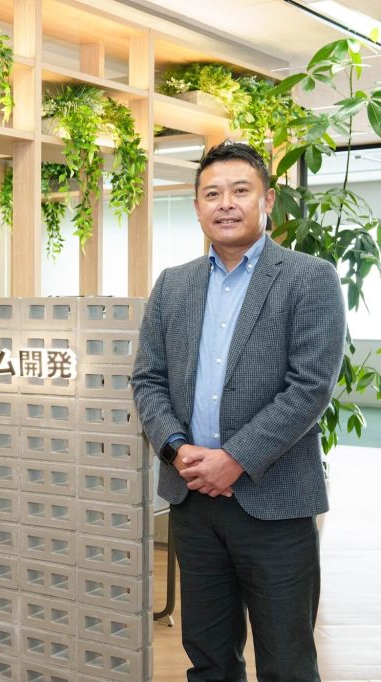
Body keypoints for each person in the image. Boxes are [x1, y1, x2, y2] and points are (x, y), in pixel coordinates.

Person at [132, 141, 346, 681]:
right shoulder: (173, 284)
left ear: (267, 200)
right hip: (194, 502)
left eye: (240, 190)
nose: (225, 203)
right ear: (197, 206)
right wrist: (176, 449)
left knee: (287, 663)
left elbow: (309, 388)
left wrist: (234, 459)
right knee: (207, 659)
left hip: (275, 503)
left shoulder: (310, 277)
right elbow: (148, 379)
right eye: (212, 194)